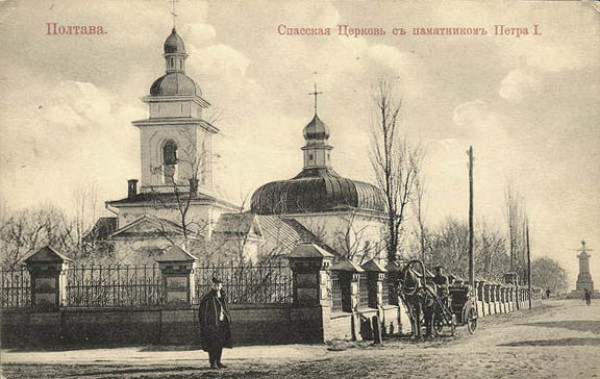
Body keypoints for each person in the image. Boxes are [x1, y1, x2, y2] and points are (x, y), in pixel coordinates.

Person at [198, 277, 232, 369]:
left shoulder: (223, 296)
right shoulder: (208, 298)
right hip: (212, 325)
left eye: (219, 285)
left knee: (220, 344)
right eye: (215, 285)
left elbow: (225, 310)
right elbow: (203, 313)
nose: (217, 287)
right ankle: (213, 363)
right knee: (212, 344)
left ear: (221, 286)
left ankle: (218, 361)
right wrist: (205, 325)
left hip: (222, 324)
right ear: (212, 286)